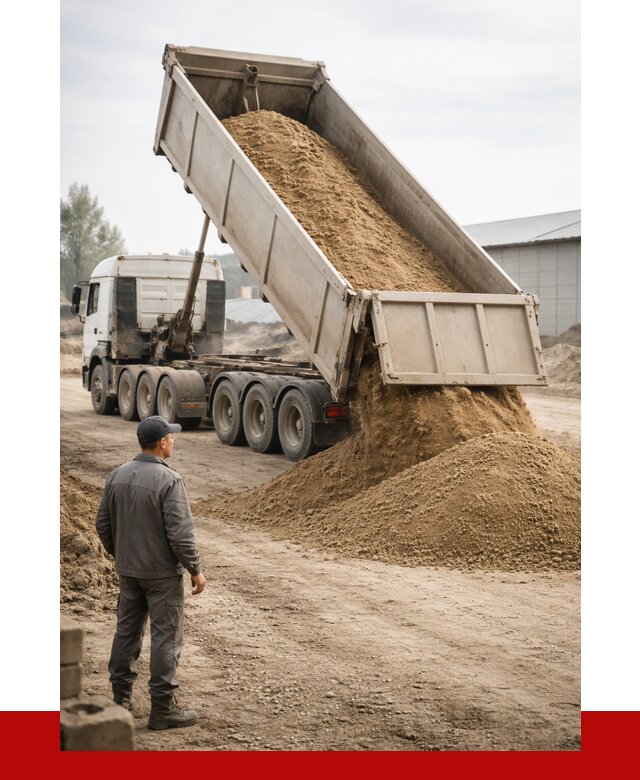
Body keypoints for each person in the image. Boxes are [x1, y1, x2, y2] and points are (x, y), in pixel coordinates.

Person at [95, 415, 207, 730]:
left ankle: (122, 702)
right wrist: (195, 569)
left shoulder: (116, 475)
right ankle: (163, 710)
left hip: (129, 571)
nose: (173, 440)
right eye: (171, 437)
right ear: (162, 442)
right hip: (161, 576)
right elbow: (180, 534)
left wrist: (122, 554)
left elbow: (102, 523)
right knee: (165, 638)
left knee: (126, 632)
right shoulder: (169, 480)